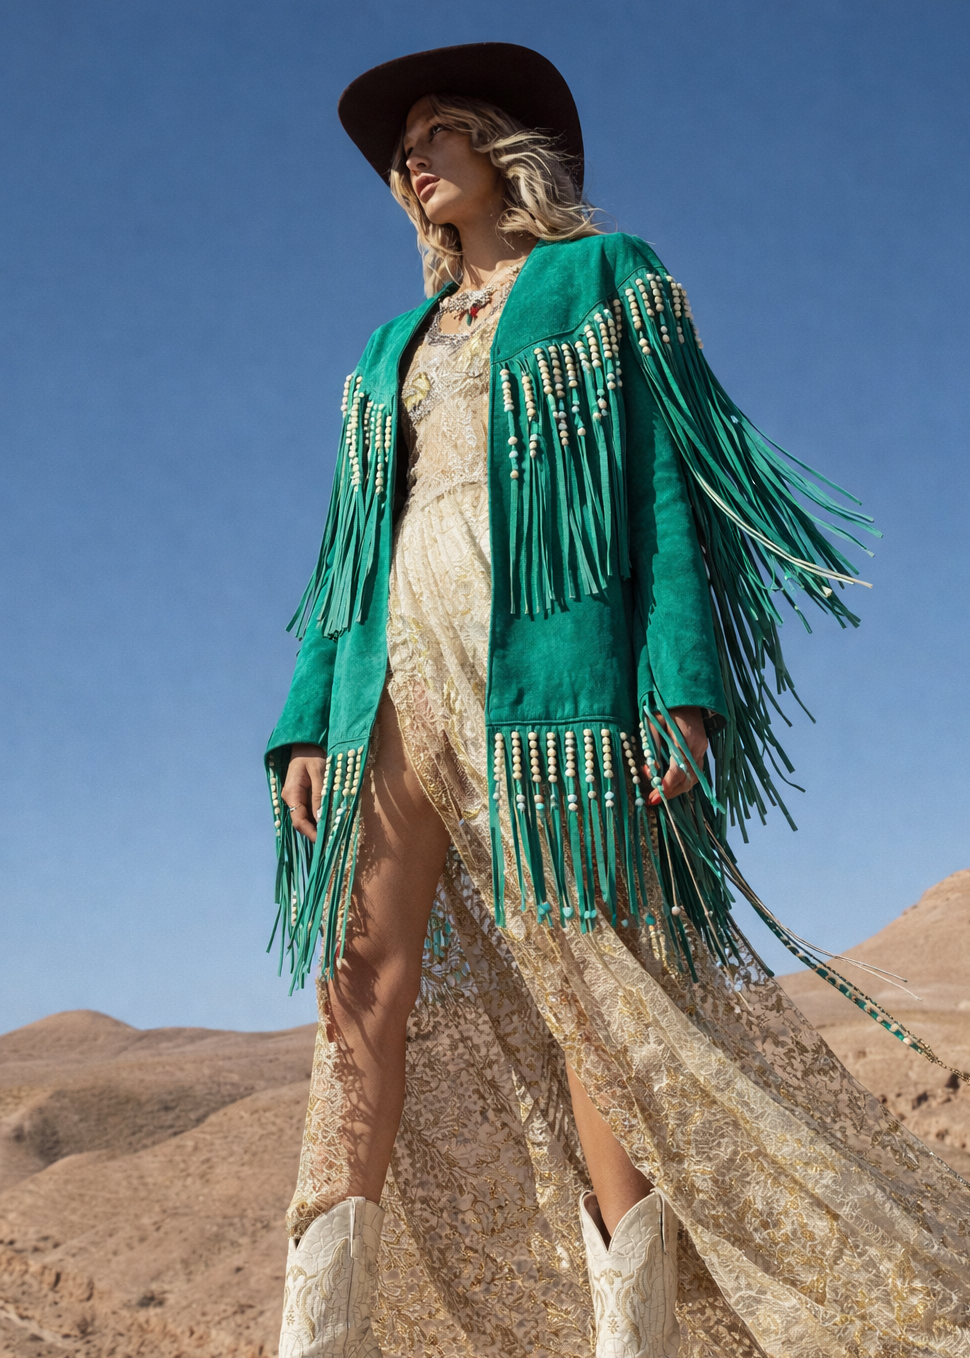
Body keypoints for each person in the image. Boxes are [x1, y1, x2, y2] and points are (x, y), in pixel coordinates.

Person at [266, 43, 969, 1358]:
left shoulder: (605, 279)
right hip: (391, 675)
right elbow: (345, 547)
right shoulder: (386, 346)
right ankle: (319, 1337)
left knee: (597, 997)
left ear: (499, 147)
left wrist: (678, 686)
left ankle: (627, 1338)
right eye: (401, 148)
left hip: (552, 689)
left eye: (436, 133)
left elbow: (666, 493)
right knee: (359, 979)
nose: (411, 159)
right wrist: (307, 714)